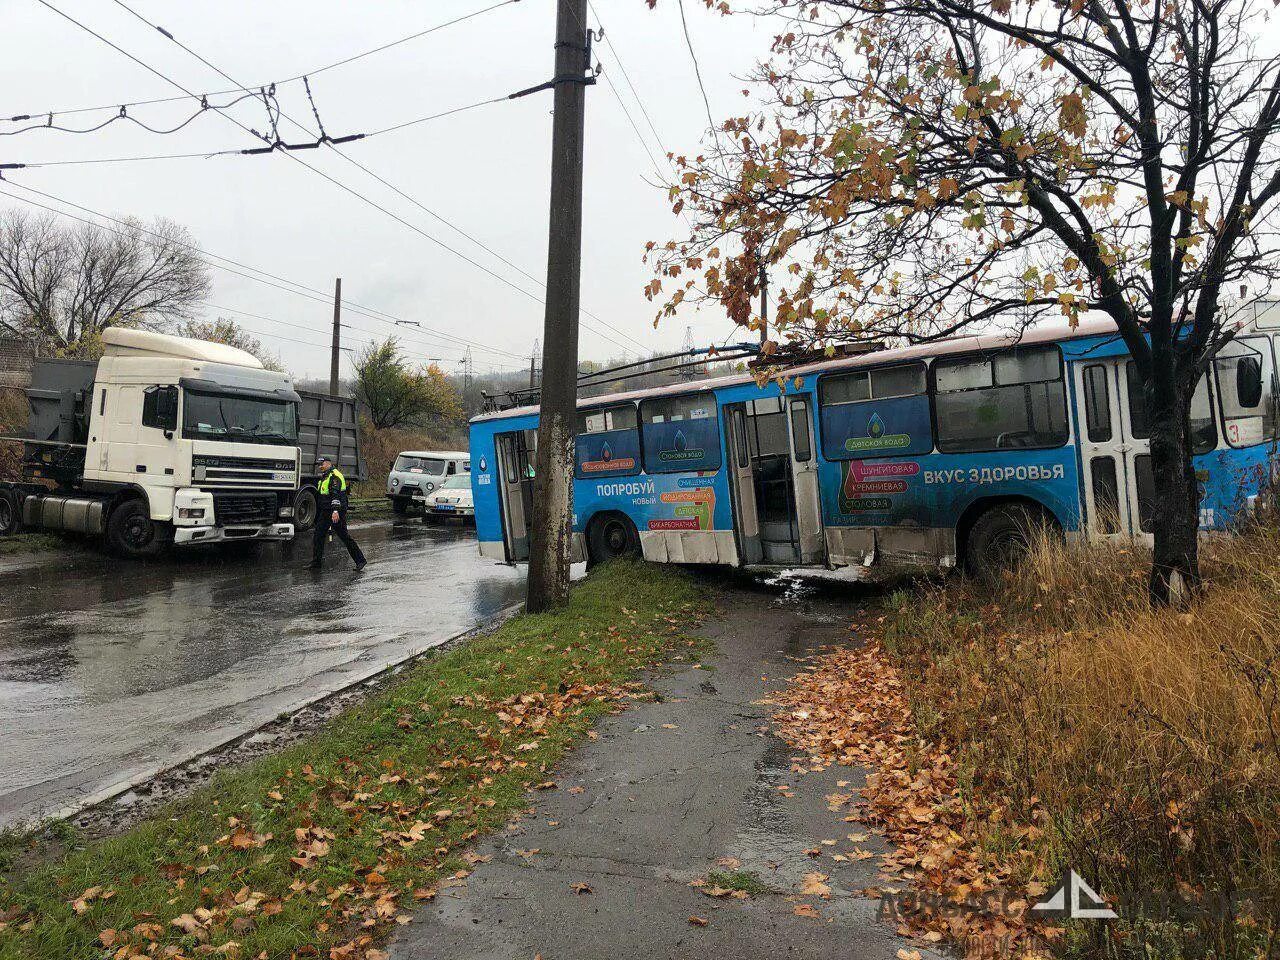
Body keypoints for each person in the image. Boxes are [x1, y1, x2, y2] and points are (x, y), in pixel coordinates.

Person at [309, 455, 367, 571]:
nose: (320, 467)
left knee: (344, 536)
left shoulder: (335, 476)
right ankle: (316, 563)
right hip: (326, 511)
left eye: (322, 464)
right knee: (318, 535)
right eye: (319, 465)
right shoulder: (325, 476)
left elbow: (335, 495)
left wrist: (335, 511)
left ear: (329, 463)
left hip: (336, 512)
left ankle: (360, 560)